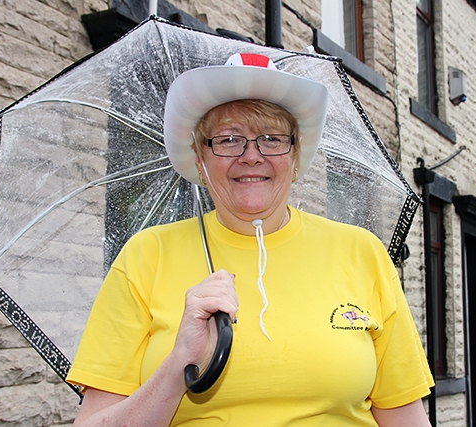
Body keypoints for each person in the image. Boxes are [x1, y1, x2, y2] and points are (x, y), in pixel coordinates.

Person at [66, 52, 434, 426]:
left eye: (272, 139)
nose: (251, 156)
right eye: (228, 140)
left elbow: (405, 415)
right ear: (199, 158)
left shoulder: (362, 252)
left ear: (295, 155)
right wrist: (179, 365)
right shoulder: (147, 255)